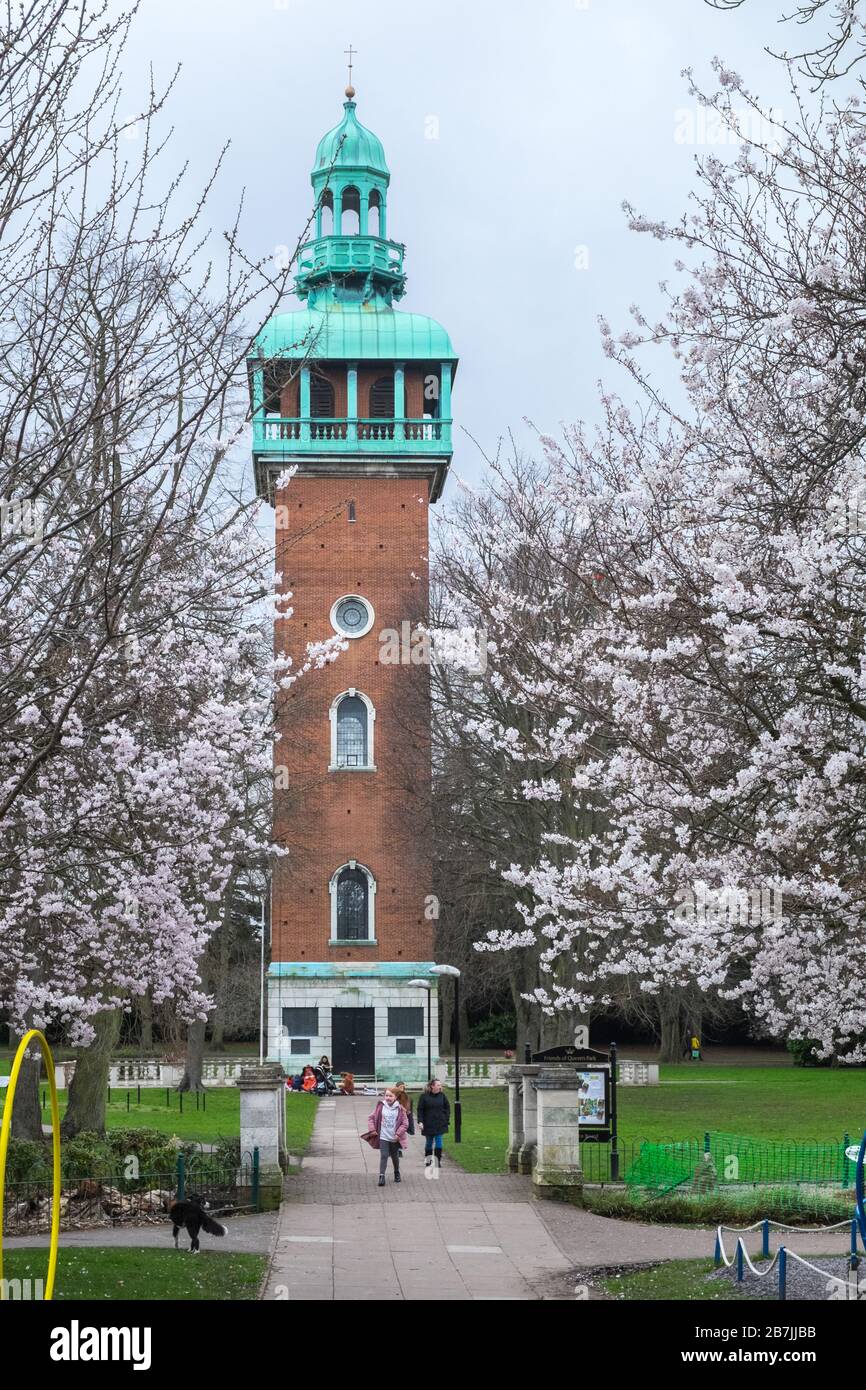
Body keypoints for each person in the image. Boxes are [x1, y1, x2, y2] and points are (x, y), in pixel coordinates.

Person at [368, 1087, 408, 1186]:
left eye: (390, 1096)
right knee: (384, 1155)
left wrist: (398, 1134)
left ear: (396, 1097)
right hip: (383, 1136)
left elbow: (405, 1124)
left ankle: (396, 1172)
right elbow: (371, 1118)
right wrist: (372, 1129)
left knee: (394, 1156)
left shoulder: (400, 1109)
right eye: (386, 1095)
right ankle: (381, 1176)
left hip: (394, 1137)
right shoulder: (381, 1106)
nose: (388, 1098)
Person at [417, 1077, 450, 1167]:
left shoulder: (442, 1096)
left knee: (439, 1141)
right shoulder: (424, 1096)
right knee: (429, 1142)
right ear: (432, 1086)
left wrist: (446, 1119)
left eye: (440, 1085)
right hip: (428, 1123)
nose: (440, 1087)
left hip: (440, 1123)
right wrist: (420, 1121)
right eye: (438, 1085)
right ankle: (428, 1161)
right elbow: (420, 1110)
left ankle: (437, 1161)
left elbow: (447, 1108)